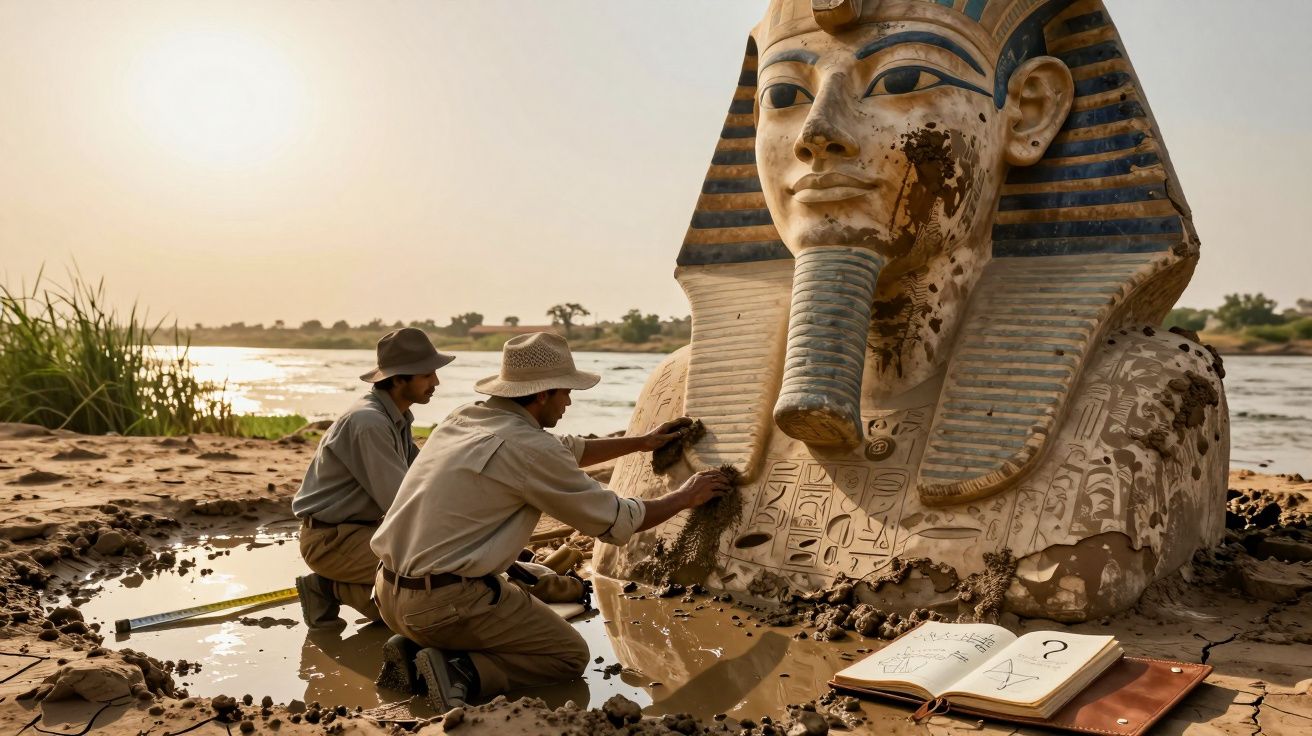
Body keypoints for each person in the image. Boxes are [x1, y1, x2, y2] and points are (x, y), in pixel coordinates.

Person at [369, 332, 731, 710]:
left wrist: (640, 442)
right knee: (567, 655)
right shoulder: (531, 449)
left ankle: (414, 649)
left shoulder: (465, 417)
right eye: (566, 392)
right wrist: (686, 497)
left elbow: (564, 449)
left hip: (387, 592)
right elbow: (618, 519)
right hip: (441, 604)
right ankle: (458, 670)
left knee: (523, 584)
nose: (569, 402)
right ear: (543, 394)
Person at [291, 327, 453, 628]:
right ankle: (329, 587)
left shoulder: (396, 417)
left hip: (361, 533)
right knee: (429, 597)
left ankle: (335, 588)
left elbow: (423, 479)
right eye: (427, 375)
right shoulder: (369, 423)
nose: (436, 382)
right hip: (332, 541)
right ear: (399, 379)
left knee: (423, 608)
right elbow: (401, 504)